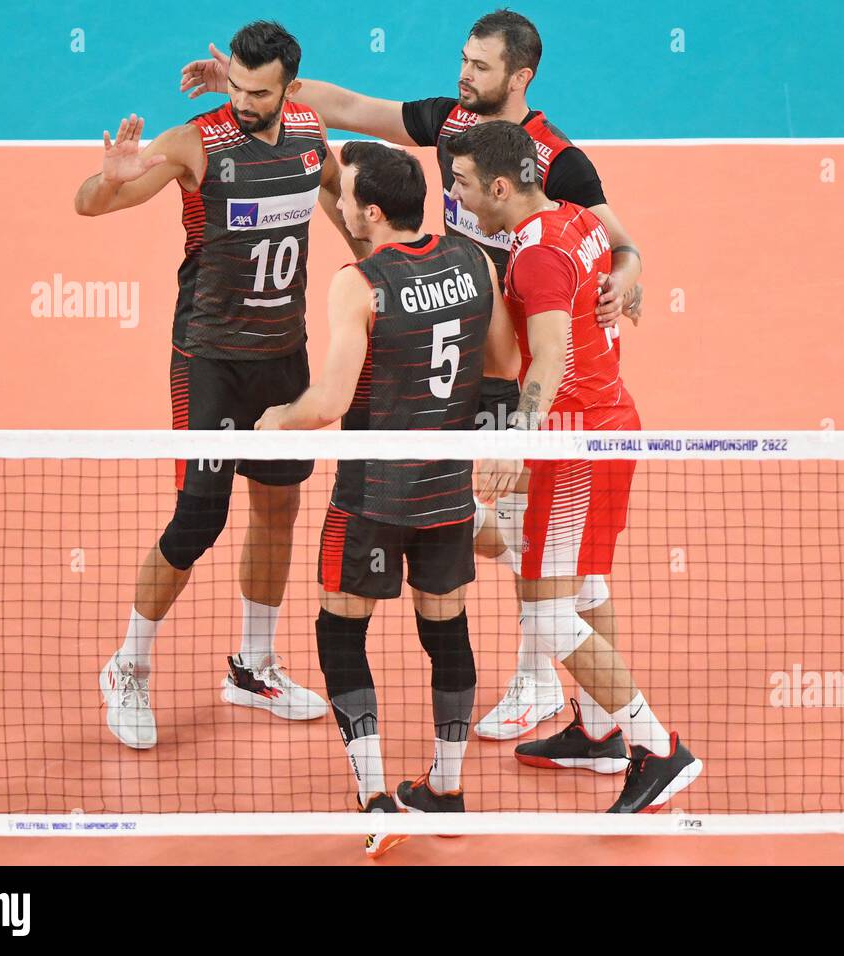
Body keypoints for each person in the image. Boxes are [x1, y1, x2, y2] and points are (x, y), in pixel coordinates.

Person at [181, 10, 643, 739]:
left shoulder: (558, 161)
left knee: (524, 527)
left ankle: (542, 683)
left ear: (520, 77)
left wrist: (633, 270)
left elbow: (615, 242)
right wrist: (254, 92)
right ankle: (577, 688)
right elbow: (353, 109)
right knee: (522, 533)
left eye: (481, 67)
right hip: (468, 340)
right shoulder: (452, 121)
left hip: (524, 366)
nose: (465, 74)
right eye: (464, 59)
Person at [75, 21, 363, 749]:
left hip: (283, 358)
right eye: (234, 83)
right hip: (208, 361)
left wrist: (366, 251)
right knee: (198, 521)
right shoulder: (196, 142)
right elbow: (89, 205)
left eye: (257, 91)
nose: (242, 100)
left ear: (289, 89)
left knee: (278, 510)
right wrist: (108, 178)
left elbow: (333, 187)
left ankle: (253, 667)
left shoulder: (307, 132)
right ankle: (128, 667)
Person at [255, 141, 519, 855]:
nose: (338, 204)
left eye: (346, 197)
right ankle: (448, 791)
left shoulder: (358, 283)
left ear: (371, 212)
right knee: (446, 633)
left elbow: (331, 400)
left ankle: (375, 796)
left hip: (371, 494)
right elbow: (503, 369)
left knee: (341, 631)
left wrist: (275, 420)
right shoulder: (475, 263)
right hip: (447, 491)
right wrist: (482, 445)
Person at [446, 121, 701, 812]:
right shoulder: (578, 220)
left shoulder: (535, 258)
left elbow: (550, 355)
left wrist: (515, 443)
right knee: (583, 586)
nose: (454, 194)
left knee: (548, 613)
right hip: (607, 423)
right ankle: (596, 732)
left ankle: (655, 747)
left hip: (576, 440)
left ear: (501, 187)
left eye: (463, 184)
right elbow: (617, 273)